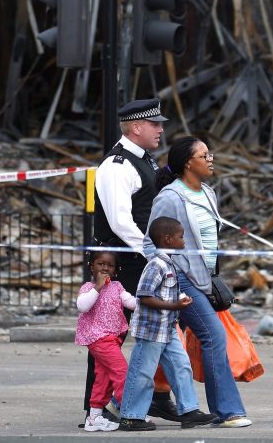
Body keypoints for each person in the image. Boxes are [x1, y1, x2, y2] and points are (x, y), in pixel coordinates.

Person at [145, 136, 252, 428]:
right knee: (213, 336)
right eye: (204, 155)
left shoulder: (207, 193)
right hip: (180, 279)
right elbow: (149, 243)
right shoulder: (170, 197)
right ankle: (228, 411)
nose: (210, 159)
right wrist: (168, 275)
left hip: (204, 279)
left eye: (210, 154)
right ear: (188, 163)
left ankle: (123, 403)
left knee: (160, 343)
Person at [85, 98, 179, 423]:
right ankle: (95, 408)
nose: (161, 129)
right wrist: (153, 252)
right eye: (155, 124)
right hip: (121, 261)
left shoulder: (144, 161)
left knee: (141, 332)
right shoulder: (117, 166)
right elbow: (120, 221)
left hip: (137, 260)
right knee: (108, 338)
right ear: (137, 127)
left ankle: (153, 396)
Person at [118, 217, 218, 432]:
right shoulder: (156, 264)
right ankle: (130, 416)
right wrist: (174, 306)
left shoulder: (169, 262)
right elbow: (144, 296)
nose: (184, 241)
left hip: (167, 328)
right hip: (152, 330)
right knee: (143, 372)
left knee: (181, 366)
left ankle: (189, 411)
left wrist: (177, 303)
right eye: (181, 237)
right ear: (168, 239)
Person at [75, 250, 136, 432]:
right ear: (91, 267)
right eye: (100, 264)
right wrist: (98, 287)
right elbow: (82, 306)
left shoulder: (117, 287)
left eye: (109, 265)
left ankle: (94, 417)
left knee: (103, 378)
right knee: (122, 373)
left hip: (112, 338)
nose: (105, 268)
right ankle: (131, 414)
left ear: (116, 270)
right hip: (98, 339)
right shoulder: (88, 288)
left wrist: (148, 301)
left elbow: (131, 303)